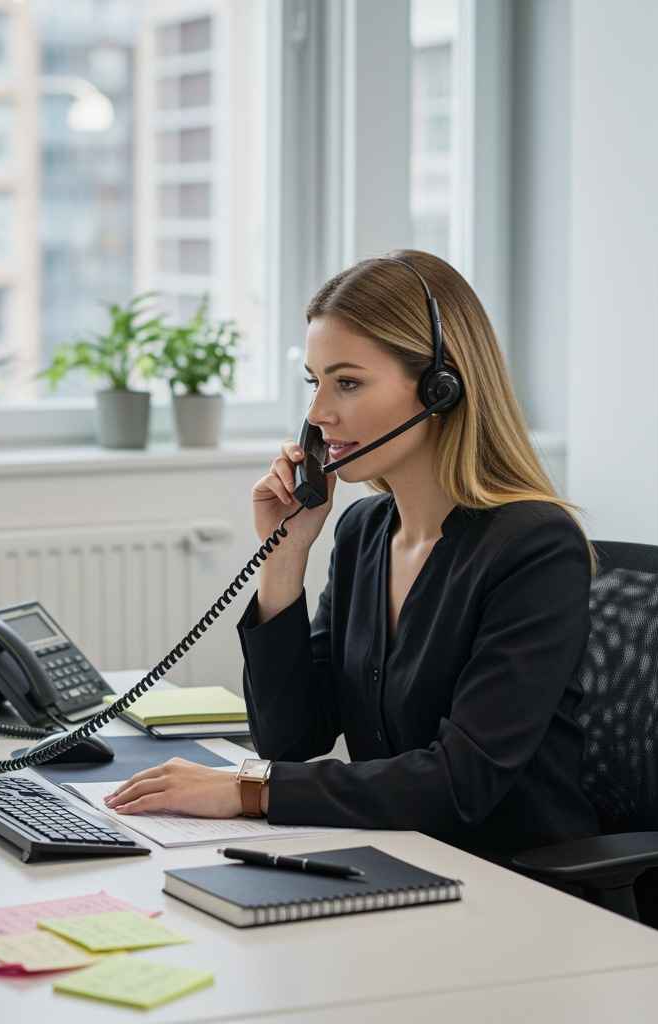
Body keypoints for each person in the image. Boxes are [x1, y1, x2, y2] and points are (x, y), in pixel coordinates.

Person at [103, 250, 600, 861]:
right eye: (315, 383)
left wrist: (244, 790)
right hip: (397, 860)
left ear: (441, 387)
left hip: (517, 886)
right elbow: (289, 737)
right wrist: (284, 555)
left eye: (348, 382)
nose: (318, 414)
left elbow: (458, 783)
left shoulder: (534, 547)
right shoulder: (364, 533)